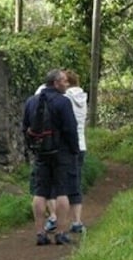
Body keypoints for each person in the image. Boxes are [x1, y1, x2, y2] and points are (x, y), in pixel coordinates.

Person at [22, 69, 79, 246]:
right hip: (61, 152)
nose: (67, 84)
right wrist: (74, 150)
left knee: (40, 192)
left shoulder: (31, 101)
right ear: (55, 83)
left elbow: (25, 127)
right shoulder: (63, 102)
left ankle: (40, 234)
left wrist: (32, 148)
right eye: (64, 81)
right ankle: (61, 233)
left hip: (41, 153)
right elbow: (70, 128)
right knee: (62, 192)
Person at [64, 69, 87, 233]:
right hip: (81, 145)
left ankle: (57, 221)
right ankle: (77, 220)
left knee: (61, 184)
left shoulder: (66, 98)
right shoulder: (83, 97)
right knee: (76, 182)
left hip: (68, 146)